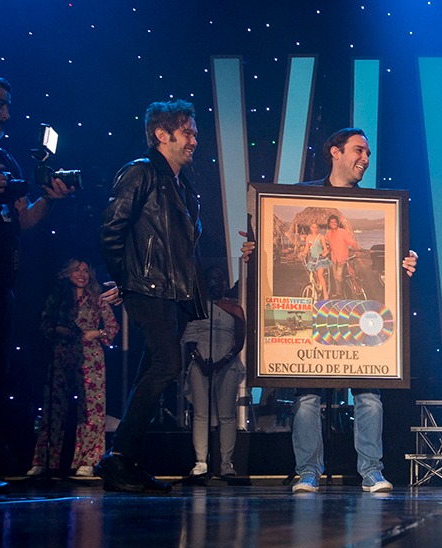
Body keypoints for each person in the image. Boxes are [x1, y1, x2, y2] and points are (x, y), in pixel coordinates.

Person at [241, 128, 417, 493]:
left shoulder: (373, 202)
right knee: (307, 396)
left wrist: (403, 261)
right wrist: (257, 254)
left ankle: (372, 471)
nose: (365, 158)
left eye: (368, 153)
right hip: (315, 285)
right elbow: (286, 246)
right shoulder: (303, 196)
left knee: (369, 395)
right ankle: (308, 470)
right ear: (335, 152)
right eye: (358, 150)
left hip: (354, 311)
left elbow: (369, 248)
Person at [0, 69, 74, 495]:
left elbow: (23, 219)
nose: (6, 114)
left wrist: (50, 199)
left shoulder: (4, 158)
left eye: (7, 106)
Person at [95, 99, 206, 493]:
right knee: (166, 364)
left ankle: (124, 459)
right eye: (187, 132)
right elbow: (111, 231)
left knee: (153, 370)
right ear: (162, 134)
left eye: (194, 132)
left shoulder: (182, 185)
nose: (194, 140)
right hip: (150, 289)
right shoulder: (140, 172)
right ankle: (119, 457)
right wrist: (128, 280)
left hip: (173, 293)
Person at [28, 259, 119, 478]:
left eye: (86, 271)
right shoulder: (58, 298)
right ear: (66, 273)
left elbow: (112, 327)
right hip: (62, 354)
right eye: (77, 270)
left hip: (90, 357)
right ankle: (44, 460)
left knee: (91, 411)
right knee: (54, 409)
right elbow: (44, 324)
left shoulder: (97, 298)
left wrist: (96, 333)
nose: (82, 274)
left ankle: (88, 460)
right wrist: (58, 330)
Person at [183, 266, 245, 478]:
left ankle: (226, 463)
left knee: (227, 415)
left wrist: (223, 361)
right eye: (211, 279)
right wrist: (199, 360)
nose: (215, 283)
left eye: (219, 279)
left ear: (225, 284)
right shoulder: (197, 308)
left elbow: (239, 341)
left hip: (227, 363)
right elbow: (189, 339)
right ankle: (201, 462)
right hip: (201, 362)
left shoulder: (234, 308)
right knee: (201, 414)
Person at [325, 214, 360, 298]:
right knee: (335, 277)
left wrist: (356, 250)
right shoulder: (328, 234)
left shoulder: (343, 232)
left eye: (335, 222)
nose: (333, 223)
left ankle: (340, 293)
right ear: (329, 224)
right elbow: (328, 244)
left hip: (342, 258)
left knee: (338, 276)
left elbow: (352, 243)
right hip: (334, 258)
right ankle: (339, 292)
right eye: (331, 222)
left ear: (337, 223)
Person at [301, 222, 331, 300]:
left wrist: (325, 253)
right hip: (312, 259)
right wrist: (303, 253)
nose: (314, 229)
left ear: (318, 229)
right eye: (313, 227)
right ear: (310, 228)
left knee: (320, 275)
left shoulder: (321, 237)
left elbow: (325, 248)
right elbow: (307, 248)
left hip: (320, 259)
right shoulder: (308, 237)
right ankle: (318, 289)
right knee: (316, 276)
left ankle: (325, 293)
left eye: (316, 227)